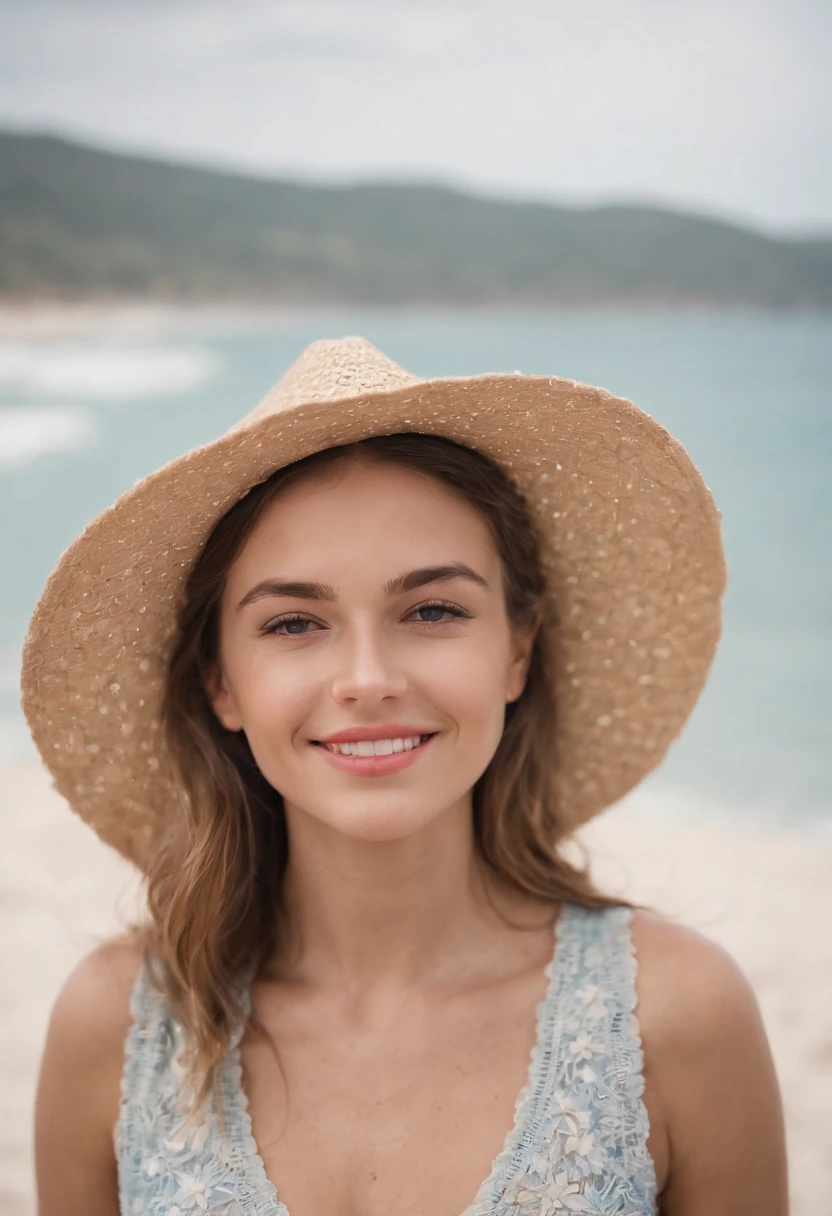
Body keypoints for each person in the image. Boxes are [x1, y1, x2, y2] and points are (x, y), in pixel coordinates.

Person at [25, 337, 787, 1215]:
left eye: (432, 610)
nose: (368, 678)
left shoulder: (679, 1017)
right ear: (220, 682)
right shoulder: (116, 1027)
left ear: (517, 652)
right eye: (293, 624)